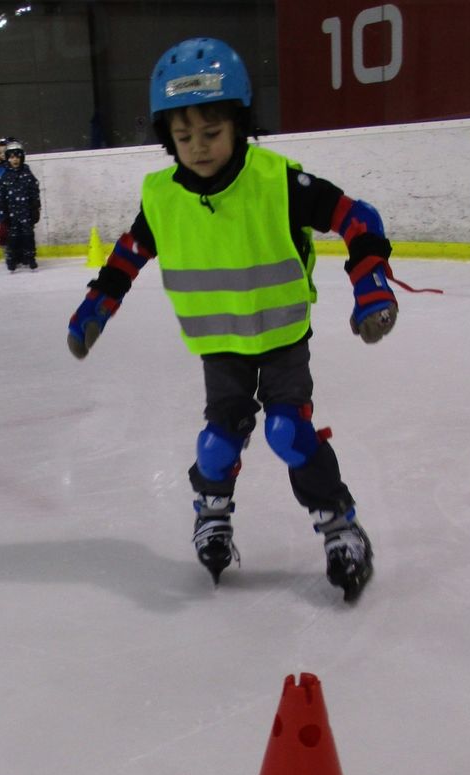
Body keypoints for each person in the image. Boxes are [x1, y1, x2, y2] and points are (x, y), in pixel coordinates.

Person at [65, 37, 400, 601]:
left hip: (282, 340)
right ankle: (212, 513)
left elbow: (357, 219)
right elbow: (126, 256)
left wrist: (369, 285)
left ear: (239, 125)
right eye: (183, 135)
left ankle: (340, 526)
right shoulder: (163, 199)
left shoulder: (278, 183)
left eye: (211, 132)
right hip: (221, 346)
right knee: (218, 444)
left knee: (288, 433)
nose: (197, 147)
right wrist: (97, 305)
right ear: (167, 138)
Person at [0, 140, 40, 272]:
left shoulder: (27, 173)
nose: (14, 160)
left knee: (28, 235)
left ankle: (30, 257)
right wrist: (3, 213)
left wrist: (35, 208)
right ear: (8, 158)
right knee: (13, 236)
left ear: (22, 157)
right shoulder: (5, 176)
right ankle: (12, 259)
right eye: (11, 157)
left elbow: (34, 191)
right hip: (12, 213)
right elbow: (1, 196)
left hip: (26, 212)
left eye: (17, 156)